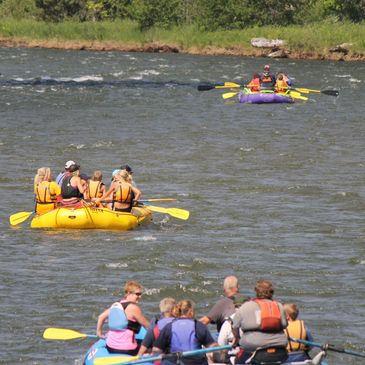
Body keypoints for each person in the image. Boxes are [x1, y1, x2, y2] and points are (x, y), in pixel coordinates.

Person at [232, 280, 288, 364]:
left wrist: (236, 339)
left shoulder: (246, 306)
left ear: (256, 291)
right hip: (280, 350)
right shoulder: (279, 306)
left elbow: (234, 325)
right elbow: (285, 325)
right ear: (272, 292)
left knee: (238, 360)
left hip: (254, 349)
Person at [152, 299, 218, 365]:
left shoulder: (169, 327)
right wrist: (223, 351)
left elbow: (156, 349)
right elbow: (212, 347)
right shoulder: (198, 326)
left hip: (174, 362)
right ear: (191, 312)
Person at [96, 280, 150, 355]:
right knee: (150, 347)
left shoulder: (116, 305)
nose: (140, 297)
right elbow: (148, 326)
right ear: (128, 293)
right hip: (128, 349)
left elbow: (101, 317)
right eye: (137, 294)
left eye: (140, 294)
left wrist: (99, 333)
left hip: (110, 347)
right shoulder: (133, 308)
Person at [215, 296, 249, 364]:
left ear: (234, 307)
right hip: (250, 357)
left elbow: (221, 345)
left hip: (233, 358)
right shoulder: (254, 321)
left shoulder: (227, 323)